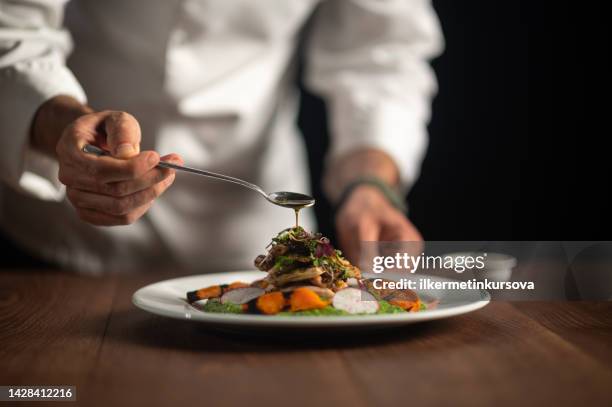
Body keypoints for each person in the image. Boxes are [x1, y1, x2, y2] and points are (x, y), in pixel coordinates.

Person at [0, 0, 443, 273]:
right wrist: (64, 127)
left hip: (247, 234)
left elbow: (379, 58)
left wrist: (368, 187)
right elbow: (13, 31)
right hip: (59, 235)